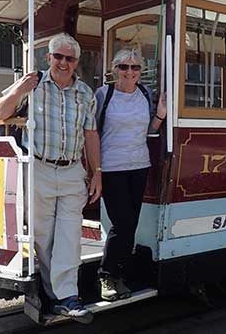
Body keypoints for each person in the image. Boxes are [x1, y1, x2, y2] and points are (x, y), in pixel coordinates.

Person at [0, 33, 102, 319]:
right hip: (40, 168)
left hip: (71, 170)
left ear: (76, 62)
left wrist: (97, 173)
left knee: (69, 235)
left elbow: (91, 135)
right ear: (49, 58)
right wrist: (18, 90)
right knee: (43, 237)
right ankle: (53, 292)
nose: (63, 63)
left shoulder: (85, 93)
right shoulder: (33, 85)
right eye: (58, 57)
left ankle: (67, 296)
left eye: (69, 58)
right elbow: (1, 113)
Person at [95, 48, 166, 301]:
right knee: (122, 223)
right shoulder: (104, 94)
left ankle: (119, 274)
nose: (129, 72)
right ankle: (107, 275)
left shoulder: (145, 94)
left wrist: (160, 115)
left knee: (131, 224)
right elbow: (92, 133)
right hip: (112, 168)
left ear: (141, 71)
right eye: (124, 67)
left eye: (135, 67)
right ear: (115, 69)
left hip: (139, 165)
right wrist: (95, 171)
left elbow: (148, 130)